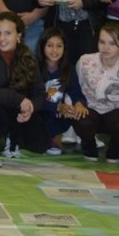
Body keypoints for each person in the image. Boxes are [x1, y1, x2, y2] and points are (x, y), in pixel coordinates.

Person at [0, 12, 49, 167]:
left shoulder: (28, 56)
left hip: (15, 111)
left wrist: (30, 108)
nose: (2, 38)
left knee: (41, 143)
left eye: (7, 33)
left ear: (19, 35)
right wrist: (17, 98)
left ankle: (12, 138)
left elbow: (40, 93)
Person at [71, 23, 119, 170]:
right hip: (90, 113)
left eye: (112, 43)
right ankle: (88, 144)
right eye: (102, 42)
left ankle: (116, 147)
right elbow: (73, 89)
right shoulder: (85, 61)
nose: (105, 47)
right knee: (82, 119)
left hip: (115, 117)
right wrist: (73, 106)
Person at [35, 27, 82, 156]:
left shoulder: (68, 69)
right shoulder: (34, 67)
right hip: (37, 112)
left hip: (56, 115)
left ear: (64, 48)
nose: (54, 50)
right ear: (42, 46)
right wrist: (57, 107)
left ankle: (51, 137)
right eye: (50, 45)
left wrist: (78, 103)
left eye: (59, 46)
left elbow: (76, 91)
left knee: (75, 114)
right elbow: (33, 99)